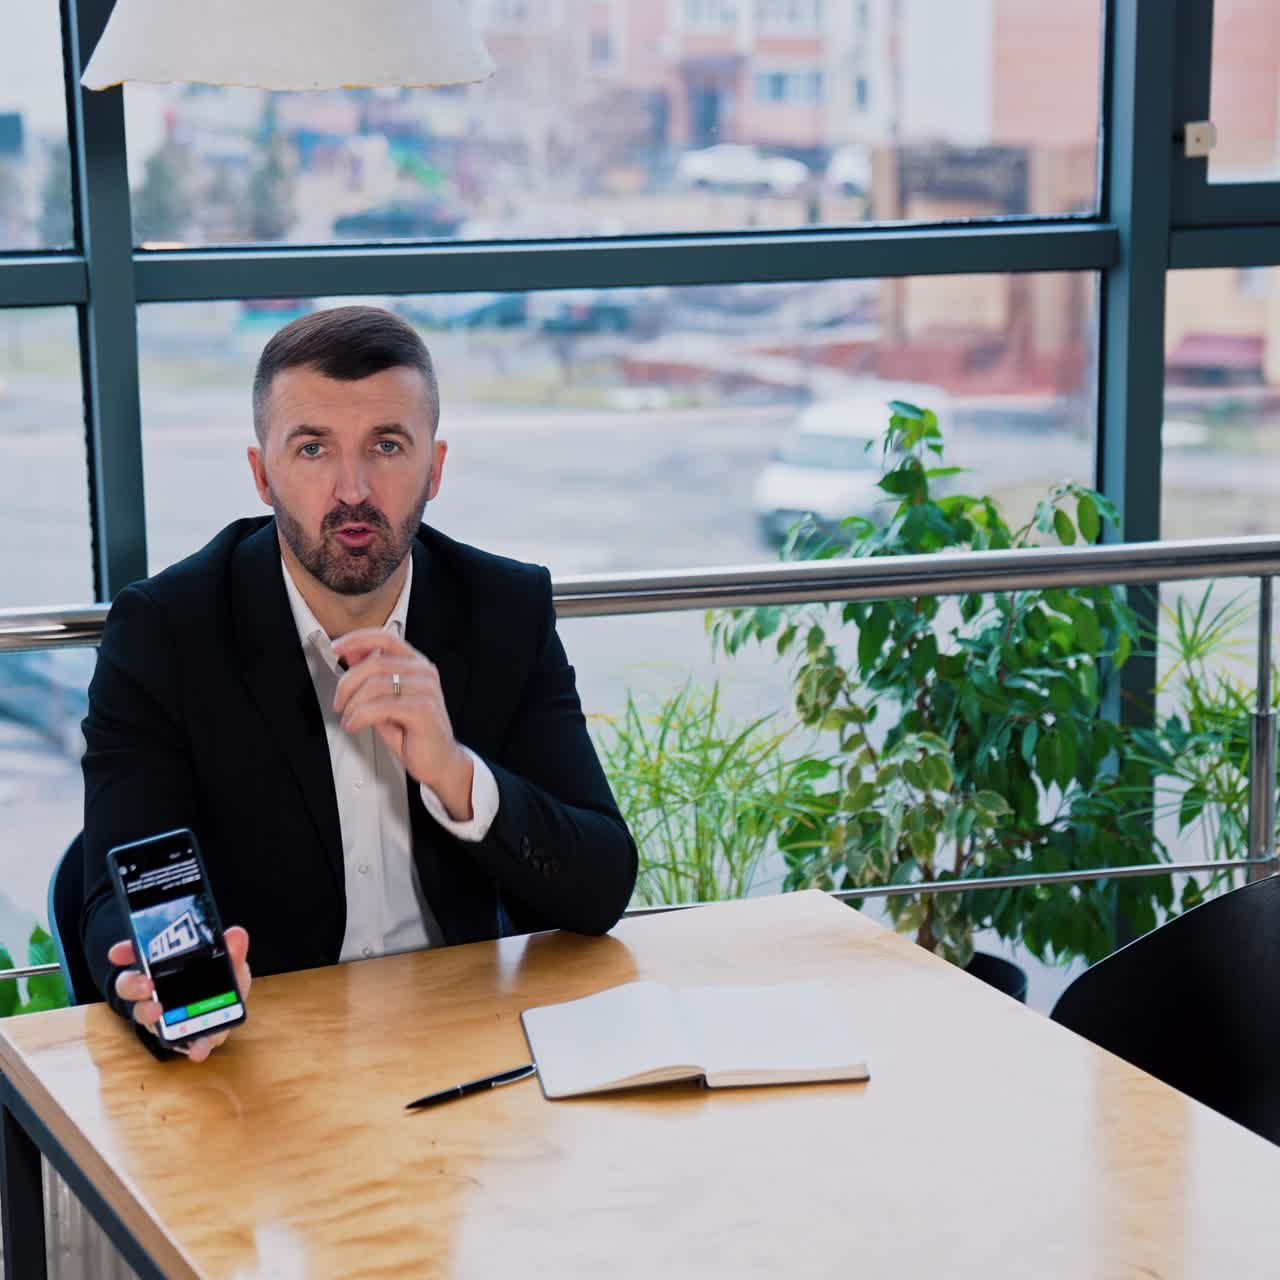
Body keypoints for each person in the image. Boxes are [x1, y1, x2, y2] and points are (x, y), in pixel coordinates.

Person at [81, 305, 638, 1061]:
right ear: (262, 473)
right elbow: (117, 891)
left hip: (466, 1045)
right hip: (271, 1054)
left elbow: (601, 885)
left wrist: (457, 775)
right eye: (312, 449)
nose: (351, 490)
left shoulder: (502, 609)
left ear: (435, 467)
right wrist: (162, 990)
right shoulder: (166, 632)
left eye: (386, 445)